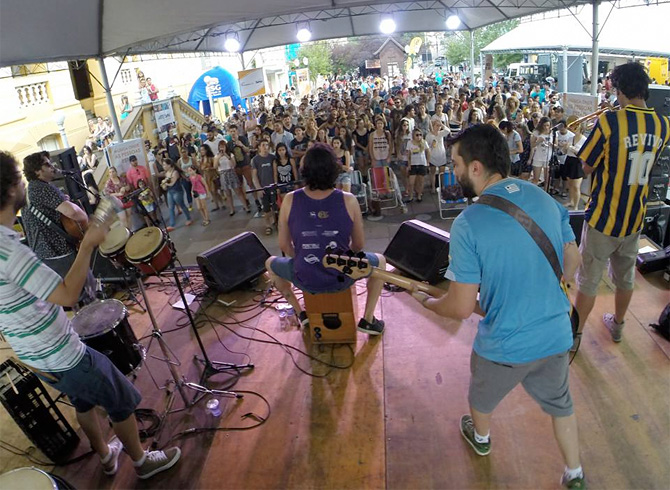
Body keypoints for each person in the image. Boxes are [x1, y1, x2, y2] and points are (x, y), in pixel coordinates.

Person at [408, 125, 585, 489]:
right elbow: (571, 258)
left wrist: (428, 302)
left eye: (456, 163)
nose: (453, 171)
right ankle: (575, 473)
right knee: (561, 404)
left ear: (476, 167)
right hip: (556, 336)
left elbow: (459, 307)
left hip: (506, 346)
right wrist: (553, 285)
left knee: (480, 397)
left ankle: (482, 438)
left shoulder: (468, 223)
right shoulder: (544, 198)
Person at [0, 151, 181, 480]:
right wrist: (88, 245)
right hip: (58, 353)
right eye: (19, 176)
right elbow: (69, 295)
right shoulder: (10, 251)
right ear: (11, 188)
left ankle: (106, 457)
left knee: (83, 400)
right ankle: (142, 462)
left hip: (34, 355)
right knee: (121, 397)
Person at [574, 62, 670, 345]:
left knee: (588, 281)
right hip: (634, 218)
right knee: (625, 278)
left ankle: (575, 335)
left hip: (603, 217)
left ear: (620, 89)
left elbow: (586, 167)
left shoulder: (609, 121)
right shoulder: (663, 124)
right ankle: (618, 325)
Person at [265, 143, 386, 335]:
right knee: (380, 261)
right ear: (334, 170)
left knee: (270, 263)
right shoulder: (349, 199)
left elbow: (284, 245)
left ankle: (300, 313)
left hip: (304, 277)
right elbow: (359, 245)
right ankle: (368, 320)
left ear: (305, 171)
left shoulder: (289, 199)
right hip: (342, 276)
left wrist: (303, 257)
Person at [21, 152, 93, 301]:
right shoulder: (41, 188)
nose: (52, 167)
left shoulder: (30, 191)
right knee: (86, 291)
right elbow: (73, 213)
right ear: (36, 171)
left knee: (75, 296)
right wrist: (88, 224)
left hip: (44, 254)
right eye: (47, 164)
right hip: (58, 251)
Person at [251, 140, 277, 235]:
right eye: (263, 145)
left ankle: (275, 222)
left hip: (272, 187)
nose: (265, 147)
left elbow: (275, 172)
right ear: (259, 147)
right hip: (263, 187)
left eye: (267, 145)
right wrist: (259, 188)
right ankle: (268, 225)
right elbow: (254, 175)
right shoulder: (256, 160)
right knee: (266, 208)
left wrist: (275, 184)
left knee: (275, 206)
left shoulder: (272, 158)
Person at [216, 140, 249, 216]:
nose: (221, 148)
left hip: (230, 172)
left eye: (223, 146)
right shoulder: (217, 156)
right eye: (220, 147)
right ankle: (231, 209)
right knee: (228, 193)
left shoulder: (230, 155)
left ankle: (246, 207)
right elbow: (215, 166)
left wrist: (226, 156)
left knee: (238, 191)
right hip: (223, 174)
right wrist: (218, 158)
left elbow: (233, 164)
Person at [161, 158, 192, 232]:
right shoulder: (166, 173)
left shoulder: (175, 173)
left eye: (165, 165)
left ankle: (189, 218)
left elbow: (172, 183)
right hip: (170, 191)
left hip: (177, 191)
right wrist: (164, 185)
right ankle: (172, 224)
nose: (163, 166)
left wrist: (165, 183)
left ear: (169, 165)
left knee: (182, 205)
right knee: (171, 207)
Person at [407, 129, 430, 202]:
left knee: (421, 181)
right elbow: (408, 154)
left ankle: (419, 195)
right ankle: (411, 196)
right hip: (413, 164)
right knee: (411, 182)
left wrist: (427, 162)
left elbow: (428, 152)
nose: (419, 137)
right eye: (417, 135)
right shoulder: (409, 143)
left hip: (422, 163)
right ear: (413, 135)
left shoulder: (424, 142)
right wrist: (409, 164)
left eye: (420, 135)